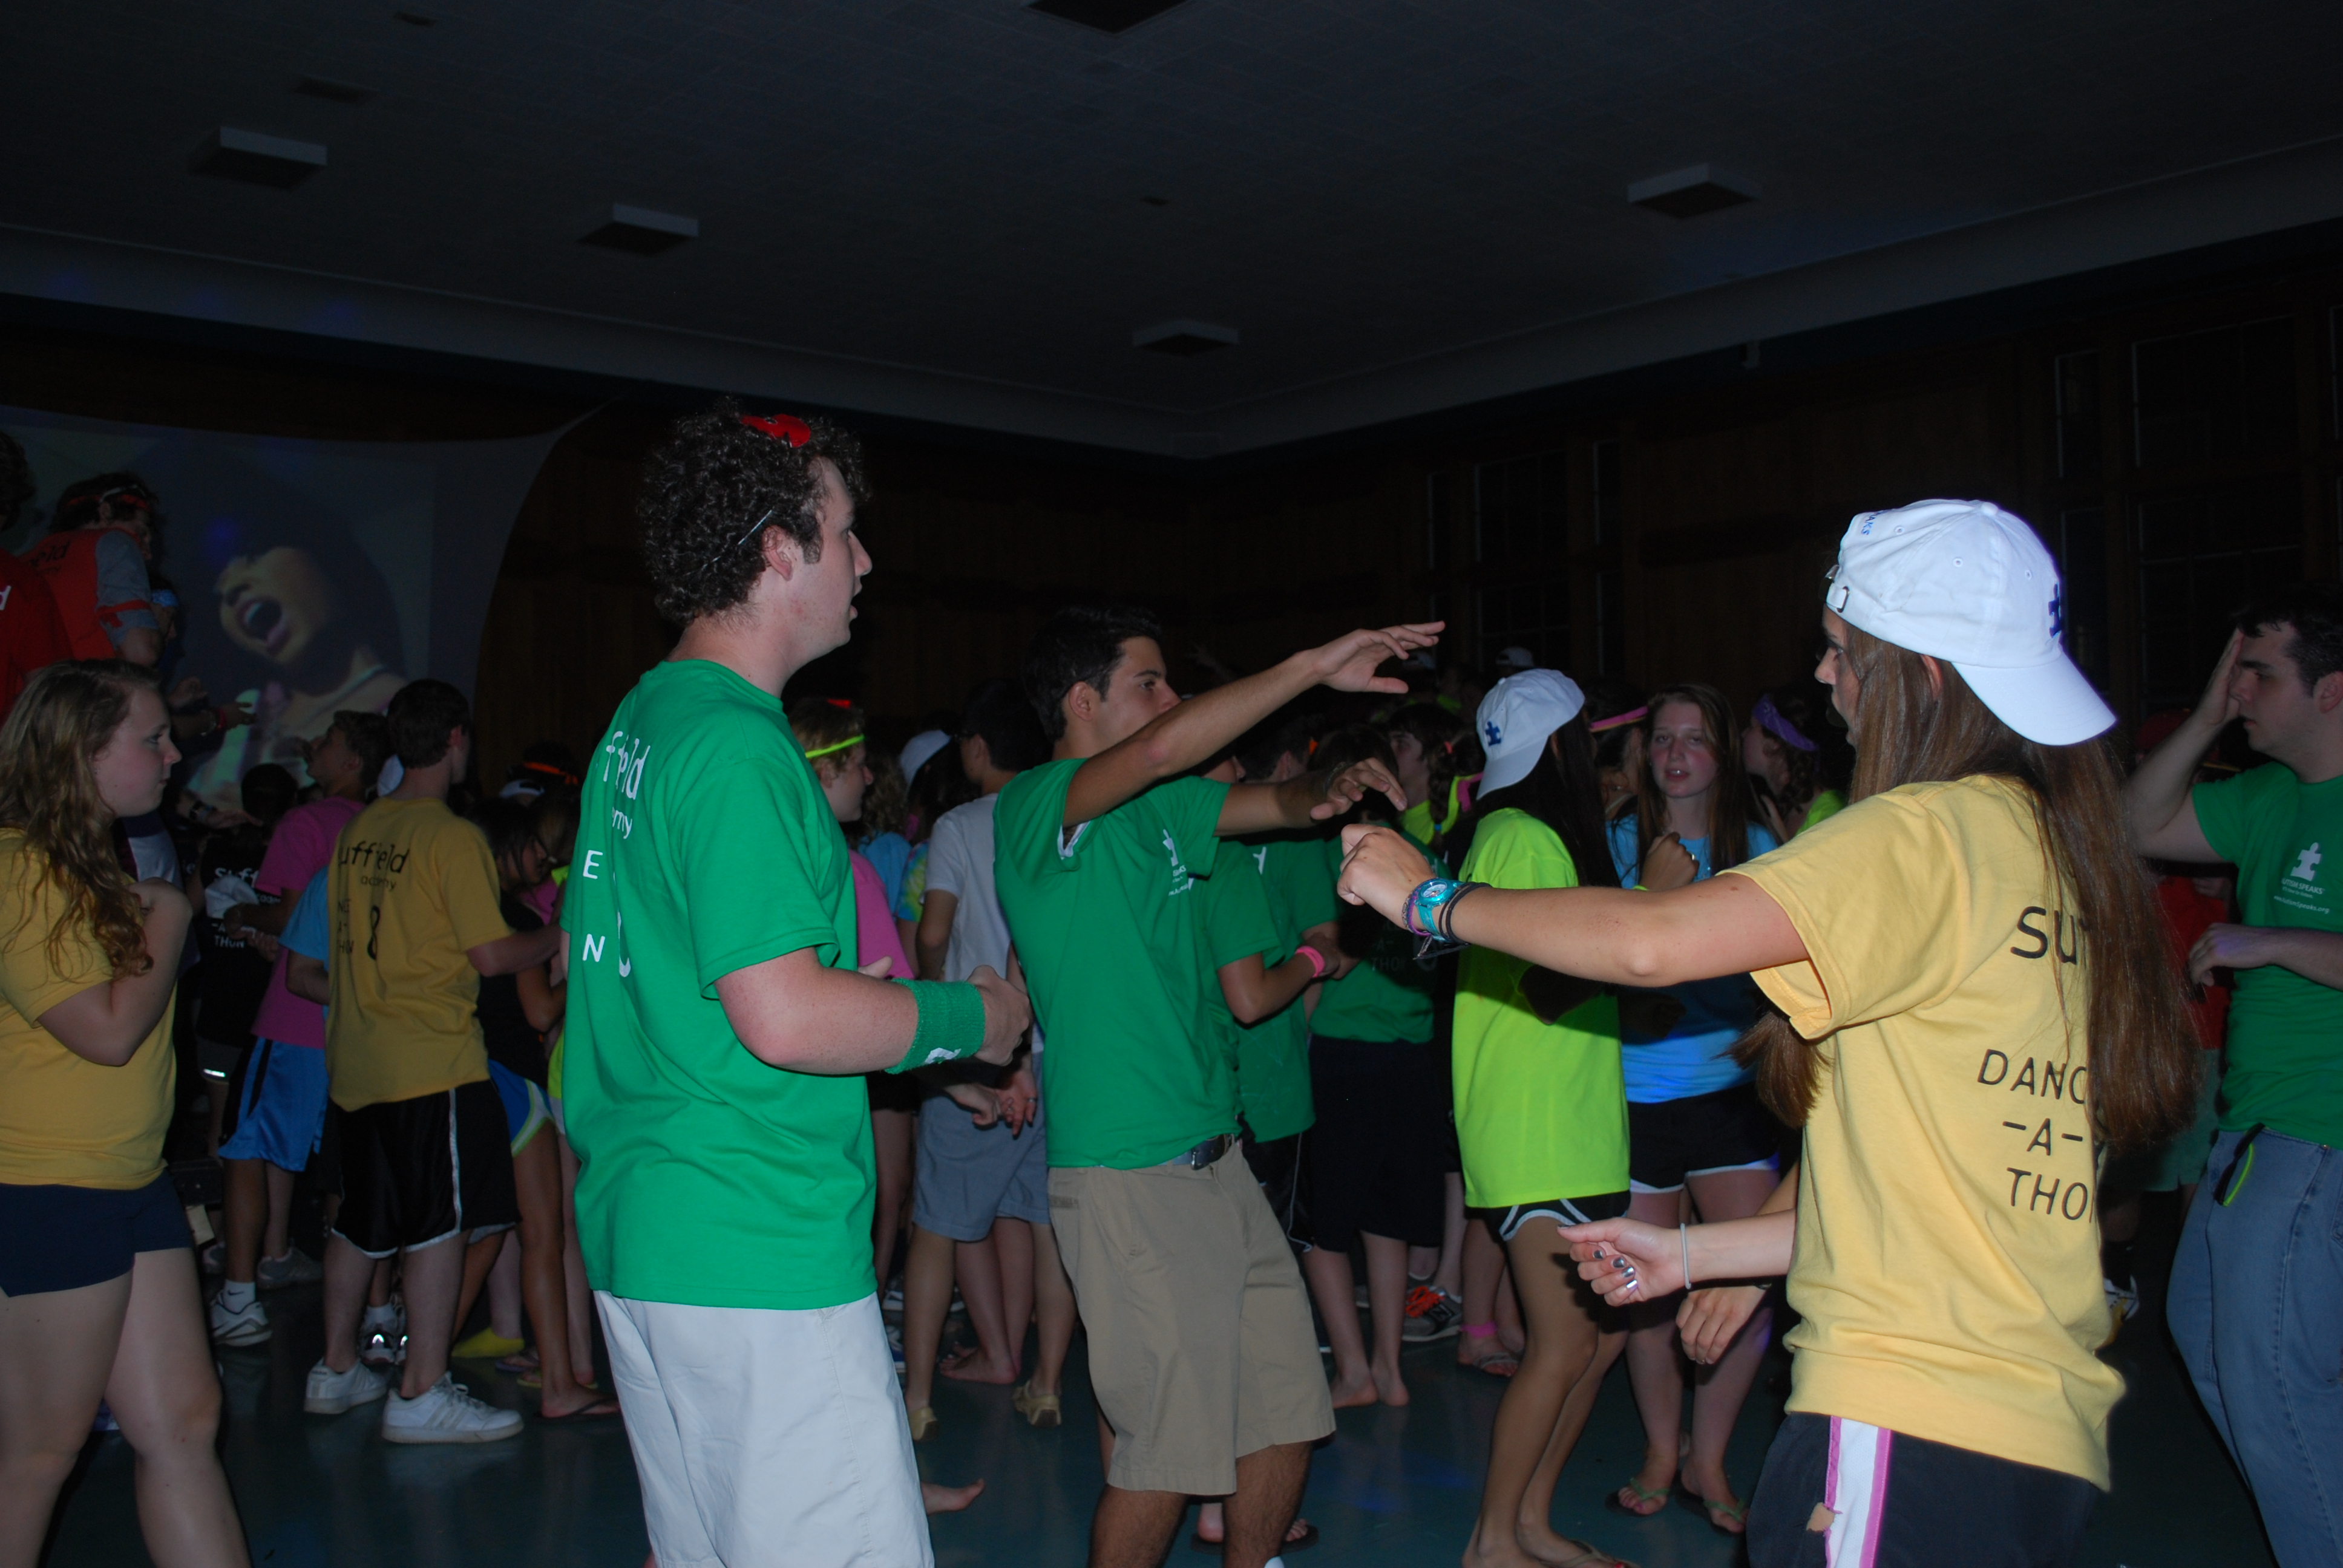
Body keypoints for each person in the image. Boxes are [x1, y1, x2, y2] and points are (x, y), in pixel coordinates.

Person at [1340, 498, 2202, 1568]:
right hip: (2032, 1427)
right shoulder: (2051, 851)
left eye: (1842, 652)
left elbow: (1654, 944)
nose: (1824, 678)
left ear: (1923, 677)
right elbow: (1934, 1181)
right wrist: (1701, 1253)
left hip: (1910, 1413)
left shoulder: (1926, 832)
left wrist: (1430, 899)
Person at [562, 402, 1026, 1568]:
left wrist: (861, 1007)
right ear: (778, 549)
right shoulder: (736, 745)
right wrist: (973, 1018)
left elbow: (701, 984)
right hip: (753, 1242)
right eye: (846, 531)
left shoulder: (644, 720)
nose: (864, 561)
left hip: (653, 1232)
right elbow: (781, 1016)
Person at [992, 601, 1435, 1568]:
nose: (1170, 699)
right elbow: (1160, 750)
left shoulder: (1163, 810)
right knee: (1165, 1455)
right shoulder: (1037, 807)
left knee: (1287, 1414)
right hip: (1128, 1175)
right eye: (1148, 682)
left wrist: (1330, 788)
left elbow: (1277, 807)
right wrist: (1312, 663)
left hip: (1218, 1161)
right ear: (1081, 700)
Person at [0, 660, 249, 1567]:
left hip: (128, 1181)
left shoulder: (86, 867)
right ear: (81, 751)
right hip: (49, 1190)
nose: (174, 756)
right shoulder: (20, 869)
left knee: (184, 1421)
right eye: (152, 739)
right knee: (39, 1454)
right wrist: (173, 913)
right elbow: (105, 1033)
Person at [2125, 583, 2343, 1568]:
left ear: (2330, 690)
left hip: (2318, 1131)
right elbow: (2135, 823)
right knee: (2208, 1335)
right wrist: (2209, 713)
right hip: (2250, 1128)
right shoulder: (2267, 798)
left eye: (2257, 674)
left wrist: (2275, 940)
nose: (2239, 689)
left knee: (2278, 1390)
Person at [304, 678, 555, 1443]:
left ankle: (334, 1370)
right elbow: (491, 955)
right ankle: (419, 1392)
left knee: (361, 1225)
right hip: (430, 1063)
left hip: (357, 1059)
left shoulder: (360, 829)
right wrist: (562, 935)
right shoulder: (451, 838)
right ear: (454, 740)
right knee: (439, 1228)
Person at [1429, 668, 1637, 1568]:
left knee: (1590, 1345)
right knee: (1561, 1345)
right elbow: (1552, 983)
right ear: (1567, 745)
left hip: (1568, 1123)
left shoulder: (1523, 833)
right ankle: (1491, 1541)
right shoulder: (1519, 836)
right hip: (1535, 1127)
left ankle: (1530, 1525)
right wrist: (1648, 908)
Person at [1602, 682, 1779, 1530]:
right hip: (1635, 1096)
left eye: (1694, 739)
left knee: (1746, 1282)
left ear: (1724, 752)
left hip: (1729, 1095)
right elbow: (1593, 963)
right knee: (1644, 1293)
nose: (1675, 755)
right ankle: (1659, 1450)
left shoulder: (1760, 847)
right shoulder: (1614, 841)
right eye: (1663, 738)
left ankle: (1708, 1458)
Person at [901, 677, 1076, 1437]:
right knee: (1048, 1227)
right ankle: (1047, 1384)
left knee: (935, 1228)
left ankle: (917, 1399)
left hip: (980, 1047)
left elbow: (934, 931)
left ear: (975, 750)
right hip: (1055, 1052)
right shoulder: (1059, 815)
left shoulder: (958, 825)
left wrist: (939, 1004)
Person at [208, 711, 392, 1349]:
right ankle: (364, 1311)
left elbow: (290, 914)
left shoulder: (305, 823)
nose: (314, 746)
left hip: (293, 1020)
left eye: (329, 742)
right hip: (358, 1025)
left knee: (246, 1151)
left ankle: (239, 1299)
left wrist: (242, 915)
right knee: (343, 1170)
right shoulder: (381, 828)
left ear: (352, 762)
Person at [1296, 723, 1451, 1411]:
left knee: (1320, 1227)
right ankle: (1389, 1371)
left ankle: (1354, 1371)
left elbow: (1325, 959)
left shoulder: (1329, 855)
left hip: (1344, 1057)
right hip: (1410, 1059)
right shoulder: (1418, 854)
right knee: (1386, 1220)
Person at [447, 797, 617, 1420]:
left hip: (467, 1074)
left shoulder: (455, 912)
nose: (542, 857)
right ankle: (560, 1384)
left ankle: (426, 1365)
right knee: (543, 1234)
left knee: (483, 1232)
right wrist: (587, 959)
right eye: (531, 846)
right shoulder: (512, 918)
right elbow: (541, 1010)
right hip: (514, 1083)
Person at [788, 696, 926, 1302]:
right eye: (860, 765)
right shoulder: (849, 871)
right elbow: (898, 996)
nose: (869, 779)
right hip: (832, 1102)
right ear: (824, 771)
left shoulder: (753, 860)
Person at [182, 501, 408, 816]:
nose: (231, 590)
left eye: (253, 554)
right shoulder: (245, 726)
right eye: (218, 596)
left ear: (326, 558)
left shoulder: (408, 723)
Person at [25, 475, 162, 668]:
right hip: (83, 686)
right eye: (141, 533)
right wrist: (157, 628)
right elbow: (140, 652)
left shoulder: (20, 564)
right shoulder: (116, 543)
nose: (148, 553)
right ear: (105, 512)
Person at [1742, 682, 1851, 841]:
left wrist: (1783, 847)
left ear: (1774, 743)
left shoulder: (1832, 814)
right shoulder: (1779, 809)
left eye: (1751, 726)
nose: (1743, 734)